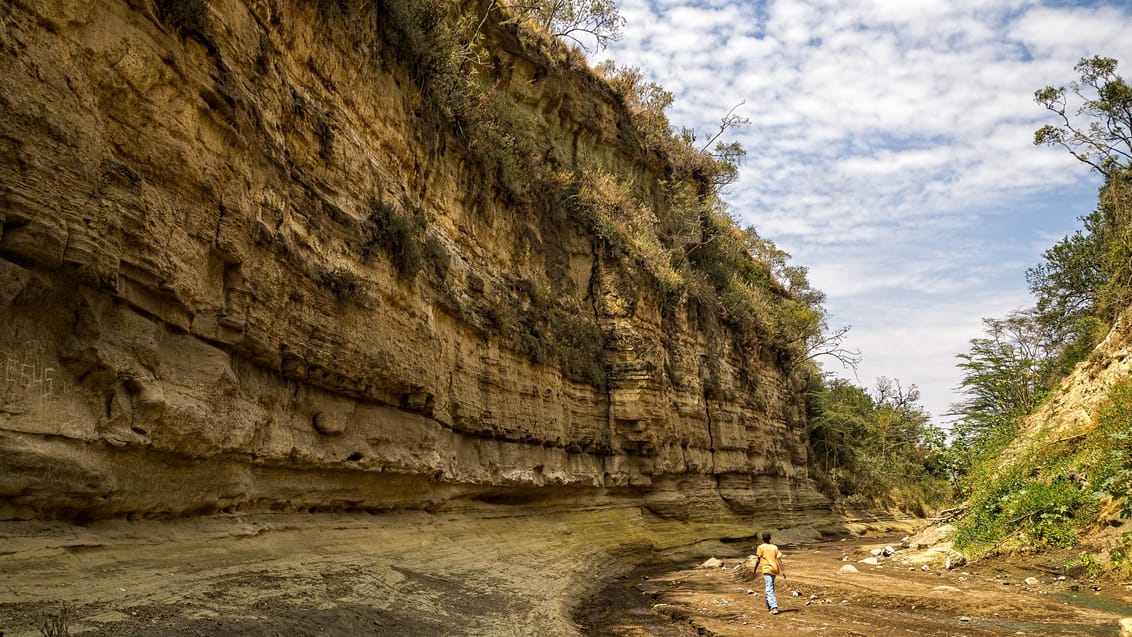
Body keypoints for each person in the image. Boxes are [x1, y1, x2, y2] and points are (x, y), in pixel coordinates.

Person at [755, 531, 784, 614]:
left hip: (767, 569)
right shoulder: (774, 547)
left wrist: (755, 569)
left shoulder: (761, 547)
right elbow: (779, 559)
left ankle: (774, 607)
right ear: (770, 538)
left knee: (769, 588)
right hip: (775, 569)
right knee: (771, 587)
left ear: (762, 539)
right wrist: (783, 571)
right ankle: (768, 605)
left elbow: (758, 559)